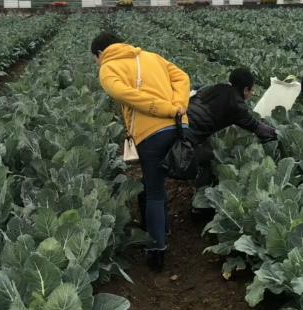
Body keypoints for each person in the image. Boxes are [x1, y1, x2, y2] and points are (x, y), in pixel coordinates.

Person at [91, 32, 190, 271]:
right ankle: (164, 229)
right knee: (160, 183)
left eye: (95, 59)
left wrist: (164, 108)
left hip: (151, 133)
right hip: (179, 127)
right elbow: (182, 77)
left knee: (154, 190)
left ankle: (157, 249)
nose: (96, 63)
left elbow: (127, 95)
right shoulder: (151, 57)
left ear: (100, 53)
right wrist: (178, 106)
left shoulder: (108, 68)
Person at [186, 67, 277, 216]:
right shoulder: (236, 104)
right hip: (189, 136)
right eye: (251, 91)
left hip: (177, 123)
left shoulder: (215, 88)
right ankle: (200, 206)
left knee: (207, 150)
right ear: (246, 89)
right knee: (209, 159)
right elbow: (255, 126)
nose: (251, 94)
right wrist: (276, 133)